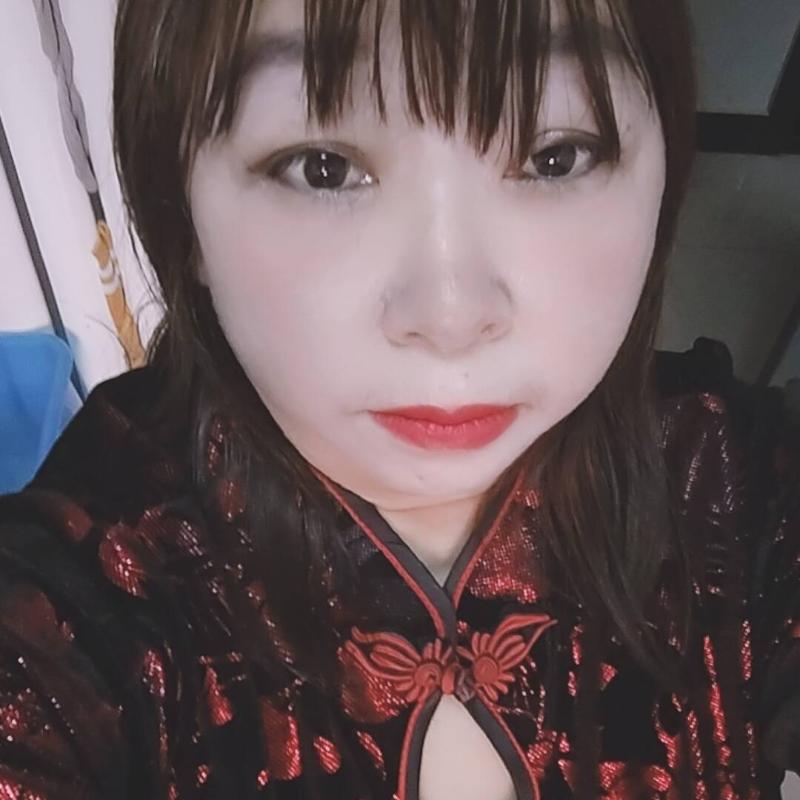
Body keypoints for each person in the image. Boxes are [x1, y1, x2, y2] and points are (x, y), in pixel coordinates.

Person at [0, 0, 797, 797]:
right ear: (183, 209)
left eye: (556, 156)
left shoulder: (732, 485)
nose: (450, 316)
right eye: (322, 167)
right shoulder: (100, 581)